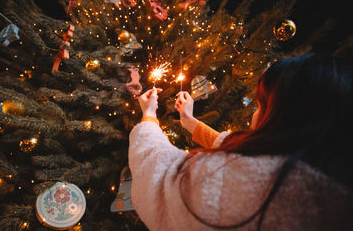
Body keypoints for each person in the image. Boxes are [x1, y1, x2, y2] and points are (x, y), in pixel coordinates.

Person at [128, 53, 353, 230]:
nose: (254, 115)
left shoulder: (240, 188)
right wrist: (189, 121)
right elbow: (237, 144)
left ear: (289, 118)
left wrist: (148, 116)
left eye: (261, 106)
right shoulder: (333, 190)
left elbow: (158, 173)